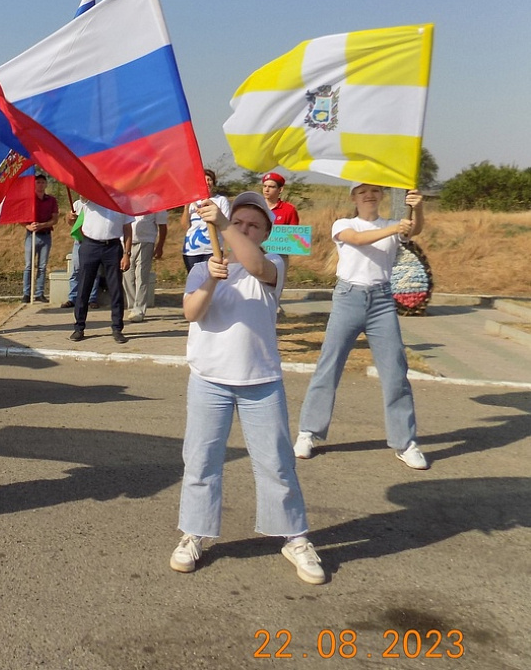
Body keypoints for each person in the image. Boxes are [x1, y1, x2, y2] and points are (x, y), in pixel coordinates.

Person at [171, 191, 325, 585]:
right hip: (208, 380)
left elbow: (256, 265)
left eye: (253, 225)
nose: (244, 228)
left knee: (276, 463)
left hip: (261, 381)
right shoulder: (204, 267)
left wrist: (224, 226)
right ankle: (195, 532)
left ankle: (294, 536)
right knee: (201, 461)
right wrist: (209, 279)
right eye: (237, 222)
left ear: (265, 234)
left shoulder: (271, 264)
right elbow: (191, 312)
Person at [294, 185, 429, 470]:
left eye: (375, 191)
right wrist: (395, 230)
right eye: (362, 191)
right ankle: (308, 433)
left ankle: (405, 442)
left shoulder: (393, 223)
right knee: (329, 366)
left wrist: (416, 206)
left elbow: (413, 229)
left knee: (395, 371)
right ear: (354, 197)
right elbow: (357, 239)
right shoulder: (344, 224)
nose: (369, 195)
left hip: (381, 301)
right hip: (348, 298)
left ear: (381, 196)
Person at [69, 196, 134, 344]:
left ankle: (117, 328)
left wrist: (127, 254)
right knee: (84, 287)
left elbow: (127, 228)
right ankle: (79, 327)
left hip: (113, 247)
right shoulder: (89, 197)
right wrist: (70, 217)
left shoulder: (123, 200)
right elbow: (72, 220)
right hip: (90, 245)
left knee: (116, 289)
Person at [123, 210, 168, 323]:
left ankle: (139, 310)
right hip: (126, 241)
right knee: (127, 276)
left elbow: (162, 225)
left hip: (146, 241)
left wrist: (160, 246)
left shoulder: (155, 201)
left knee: (141, 276)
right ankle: (132, 306)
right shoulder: (126, 199)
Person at [181, 169, 229, 272]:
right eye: (204, 180)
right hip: (191, 252)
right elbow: (185, 226)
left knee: (212, 281)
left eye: (209, 180)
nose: (207, 182)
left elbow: (225, 224)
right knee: (195, 283)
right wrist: (186, 207)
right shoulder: (192, 202)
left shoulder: (220, 200)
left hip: (212, 250)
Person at [22, 173, 59, 303]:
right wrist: (28, 227)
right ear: (34, 184)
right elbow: (20, 217)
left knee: (42, 266)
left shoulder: (51, 200)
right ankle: (26, 293)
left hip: (45, 236)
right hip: (31, 236)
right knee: (28, 266)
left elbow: (55, 219)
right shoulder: (29, 199)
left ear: (46, 184)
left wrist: (42, 225)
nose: (41, 185)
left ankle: (39, 293)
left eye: (43, 182)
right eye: (38, 182)